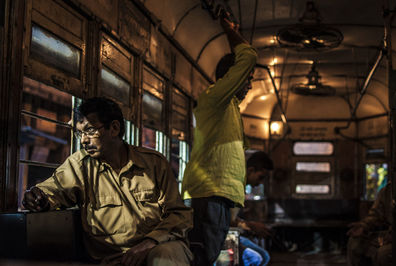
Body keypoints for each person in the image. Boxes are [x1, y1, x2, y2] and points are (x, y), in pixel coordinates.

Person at [22, 97, 193, 265]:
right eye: (79, 133)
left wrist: (149, 243)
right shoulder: (80, 166)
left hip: (158, 246)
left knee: (165, 256)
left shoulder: (154, 164)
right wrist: (38, 197)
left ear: (114, 128)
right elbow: (53, 189)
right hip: (114, 259)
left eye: (90, 131)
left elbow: (178, 215)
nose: (83, 140)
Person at [181, 9, 258, 266]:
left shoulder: (232, 109)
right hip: (209, 193)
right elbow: (248, 57)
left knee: (207, 256)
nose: (249, 85)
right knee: (202, 258)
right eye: (247, 80)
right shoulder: (216, 99)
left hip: (220, 195)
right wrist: (230, 31)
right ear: (231, 79)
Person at [231, 151, 274, 266]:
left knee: (264, 256)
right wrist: (250, 226)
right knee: (256, 259)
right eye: (260, 177)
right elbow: (227, 221)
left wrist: (249, 226)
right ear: (250, 170)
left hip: (232, 232)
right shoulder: (234, 188)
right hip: (223, 235)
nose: (260, 183)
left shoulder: (240, 188)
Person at [346, 182, 392, 266]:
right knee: (355, 243)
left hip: (394, 237)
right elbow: (376, 214)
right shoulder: (389, 190)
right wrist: (364, 226)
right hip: (389, 235)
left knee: (384, 254)